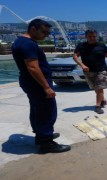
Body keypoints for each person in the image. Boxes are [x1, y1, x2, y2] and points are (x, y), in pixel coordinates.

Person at [11, 19, 71, 153]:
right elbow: (33, 67)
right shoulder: (28, 44)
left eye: (48, 33)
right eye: (44, 32)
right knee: (47, 112)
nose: (46, 35)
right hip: (37, 83)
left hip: (30, 82)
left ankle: (41, 135)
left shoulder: (21, 41)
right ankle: (46, 143)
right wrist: (46, 87)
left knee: (37, 110)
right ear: (33, 29)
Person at [73, 29, 107, 114]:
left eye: (94, 36)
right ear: (86, 37)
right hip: (88, 72)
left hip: (100, 70)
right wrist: (82, 65)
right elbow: (75, 56)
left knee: (99, 88)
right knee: (95, 88)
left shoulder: (102, 45)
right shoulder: (81, 46)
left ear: (96, 36)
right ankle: (102, 100)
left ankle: (98, 106)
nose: (92, 38)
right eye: (90, 36)